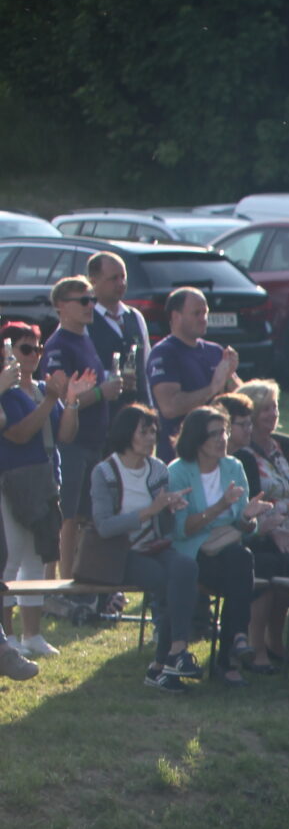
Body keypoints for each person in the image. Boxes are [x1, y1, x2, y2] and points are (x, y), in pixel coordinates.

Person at [82, 407, 187, 686]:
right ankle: (163, 664)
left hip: (155, 546)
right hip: (119, 553)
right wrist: (149, 511)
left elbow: (167, 529)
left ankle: (173, 654)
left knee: (185, 567)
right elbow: (104, 526)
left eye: (154, 430)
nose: (151, 437)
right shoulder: (104, 472)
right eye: (144, 431)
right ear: (127, 433)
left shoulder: (159, 470)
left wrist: (170, 508)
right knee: (163, 579)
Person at [164, 408, 258, 688]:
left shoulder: (234, 467)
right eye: (214, 434)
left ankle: (235, 644)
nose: (222, 439)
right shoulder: (178, 472)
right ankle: (232, 653)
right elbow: (182, 529)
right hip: (192, 556)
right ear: (196, 439)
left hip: (228, 552)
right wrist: (221, 507)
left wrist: (249, 517)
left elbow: (243, 525)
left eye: (224, 432)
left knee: (241, 559)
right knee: (239, 567)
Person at [2, 324, 80, 660]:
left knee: (36, 557)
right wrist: (50, 399)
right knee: (11, 559)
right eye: (25, 349)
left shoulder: (38, 389)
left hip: (46, 479)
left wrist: (71, 401)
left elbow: (65, 434)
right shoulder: (8, 392)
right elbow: (19, 434)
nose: (34, 356)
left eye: (37, 349)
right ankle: (6, 636)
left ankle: (31, 634)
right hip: (15, 482)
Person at [41, 276, 112, 595]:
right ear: (60, 306)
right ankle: (61, 584)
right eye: (82, 301)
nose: (90, 306)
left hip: (94, 439)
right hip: (70, 443)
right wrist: (101, 392)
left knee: (86, 513)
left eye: (92, 299)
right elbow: (62, 398)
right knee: (67, 515)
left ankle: (81, 578)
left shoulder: (86, 337)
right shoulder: (58, 346)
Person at [229, 381, 289, 671]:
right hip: (259, 533)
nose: (273, 414)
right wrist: (286, 512)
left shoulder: (277, 448)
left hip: (285, 531)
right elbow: (256, 500)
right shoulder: (243, 456)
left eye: (275, 407)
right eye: (266, 409)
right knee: (267, 565)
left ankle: (275, 643)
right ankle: (255, 646)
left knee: (288, 563)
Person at [145, 288, 241, 427]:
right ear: (176, 316)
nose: (203, 319)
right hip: (179, 444)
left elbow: (240, 398)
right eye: (197, 313)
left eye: (205, 313)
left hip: (216, 442)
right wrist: (212, 389)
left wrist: (230, 374)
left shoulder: (215, 350)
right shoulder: (164, 353)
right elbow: (170, 407)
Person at [83, 250, 151, 412]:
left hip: (139, 415)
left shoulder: (135, 317)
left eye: (123, 277)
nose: (121, 283)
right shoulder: (84, 321)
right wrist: (110, 377)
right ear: (93, 282)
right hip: (104, 415)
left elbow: (146, 368)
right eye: (114, 278)